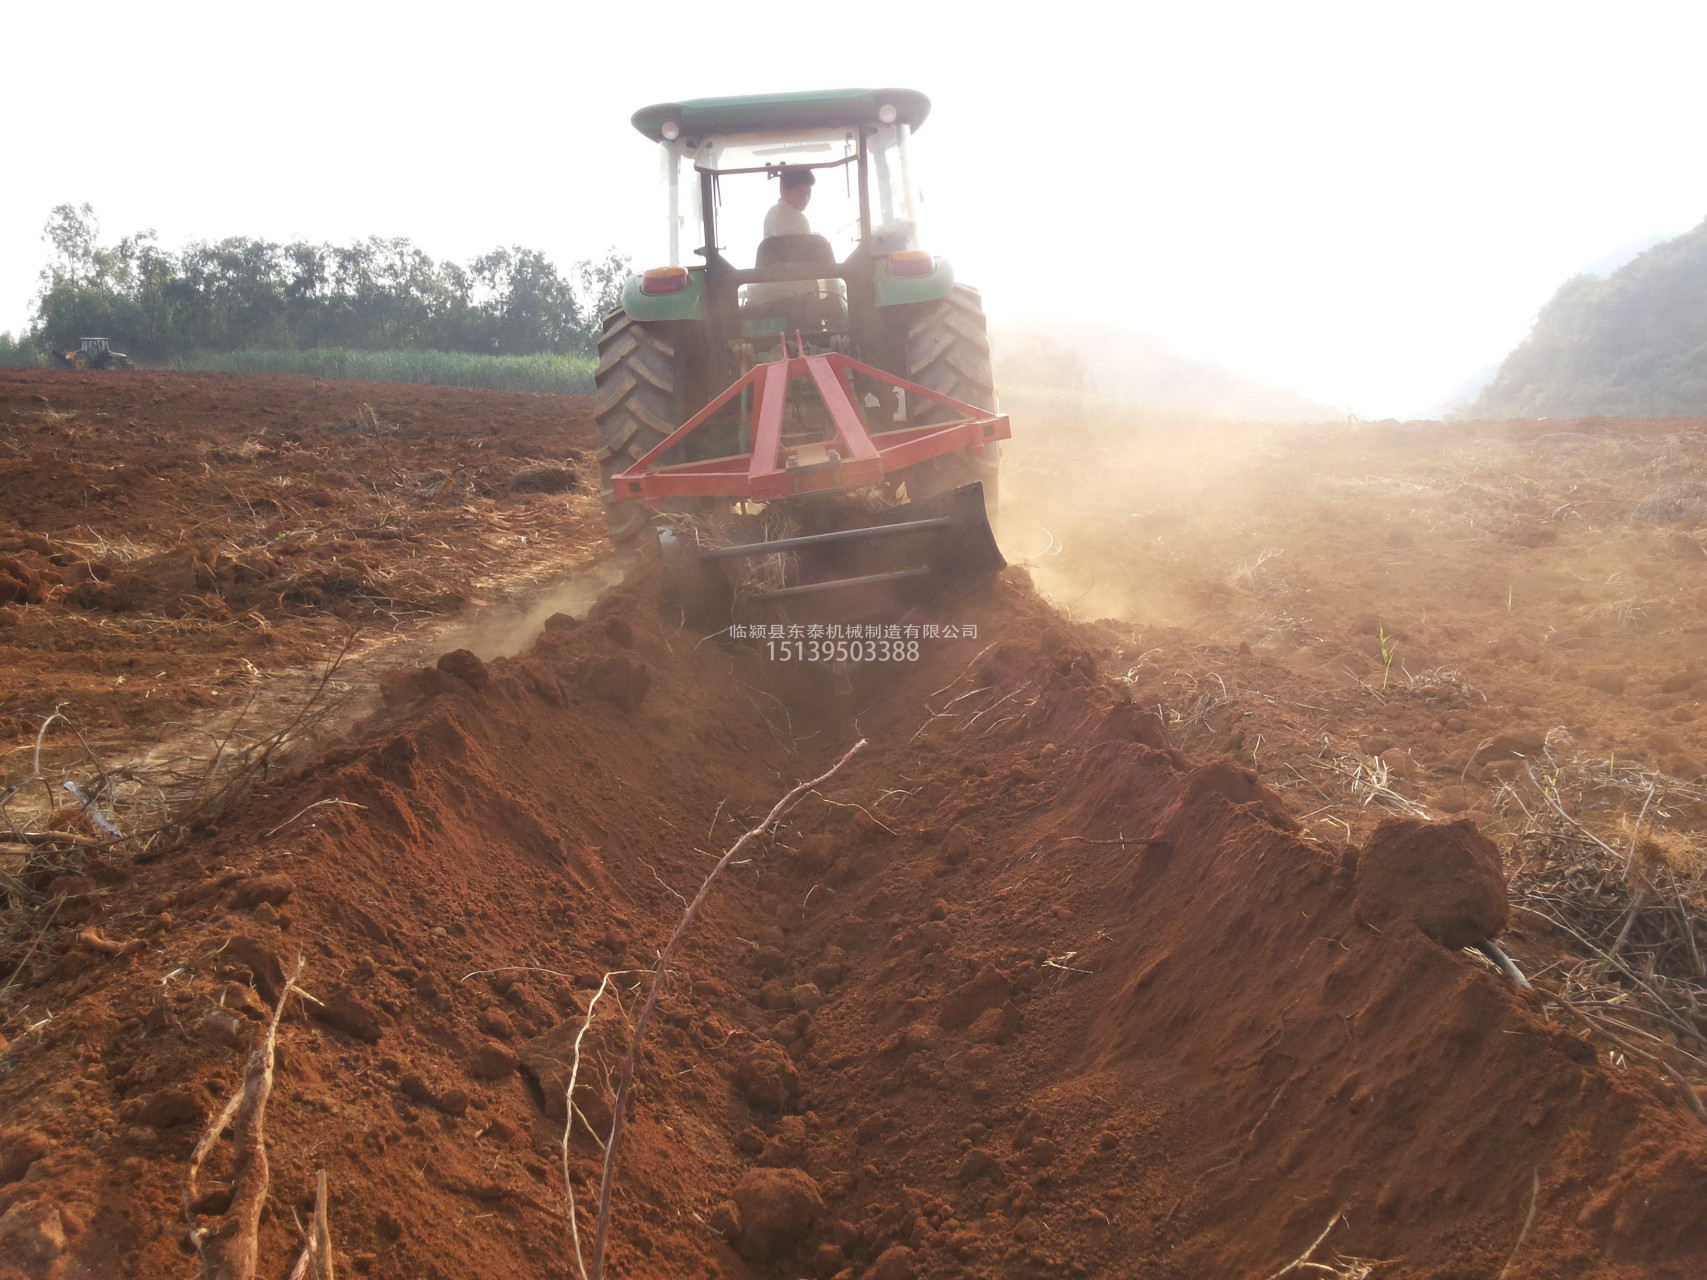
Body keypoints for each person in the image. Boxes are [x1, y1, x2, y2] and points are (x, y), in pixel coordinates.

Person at [764, 167, 815, 239]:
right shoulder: (796, 219)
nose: (806, 198)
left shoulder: (772, 212)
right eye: (800, 192)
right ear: (783, 191)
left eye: (808, 192)